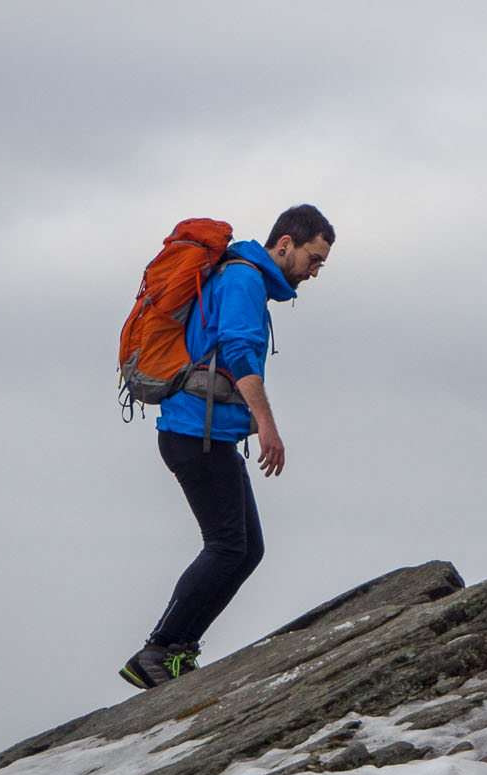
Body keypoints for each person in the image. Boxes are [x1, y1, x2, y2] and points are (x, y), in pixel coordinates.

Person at [120, 204, 336, 689]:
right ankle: (158, 650)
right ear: (285, 244)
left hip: (206, 434)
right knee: (227, 544)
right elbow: (238, 350)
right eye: (313, 258)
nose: (315, 271)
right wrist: (266, 424)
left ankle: (177, 649)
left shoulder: (244, 278)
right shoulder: (243, 279)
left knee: (247, 547)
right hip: (195, 433)